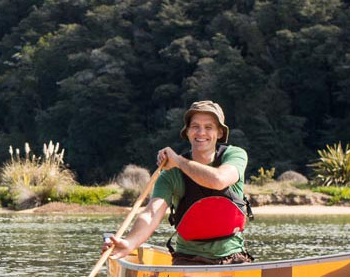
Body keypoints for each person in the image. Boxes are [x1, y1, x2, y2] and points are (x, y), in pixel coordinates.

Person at [104, 100, 253, 265]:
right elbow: (151, 213)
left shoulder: (235, 155)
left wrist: (178, 161)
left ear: (219, 133)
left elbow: (219, 180)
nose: (201, 132)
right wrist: (130, 243)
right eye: (195, 126)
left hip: (233, 258)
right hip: (188, 259)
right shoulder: (170, 174)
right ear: (188, 132)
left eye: (209, 127)